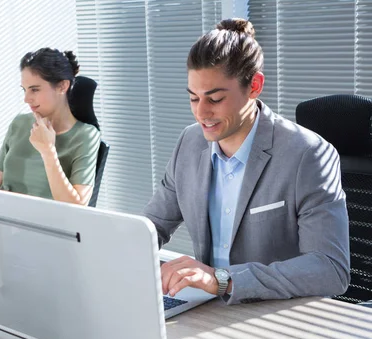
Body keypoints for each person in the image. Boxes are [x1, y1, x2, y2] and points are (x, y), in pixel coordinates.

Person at [144, 18, 350, 305]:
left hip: (278, 315)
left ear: (254, 85)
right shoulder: (189, 144)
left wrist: (222, 280)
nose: (201, 112)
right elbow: (151, 227)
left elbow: (330, 269)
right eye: (193, 98)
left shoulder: (308, 155)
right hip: (210, 310)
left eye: (214, 99)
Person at [0, 48, 101, 205]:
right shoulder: (19, 124)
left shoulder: (85, 136)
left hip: (45, 225)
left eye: (34, 89)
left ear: (62, 86)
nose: (26, 99)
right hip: (5, 219)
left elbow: (77, 206)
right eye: (24, 90)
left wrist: (48, 151)